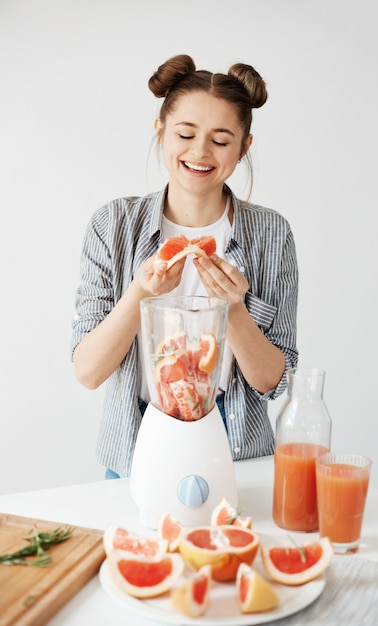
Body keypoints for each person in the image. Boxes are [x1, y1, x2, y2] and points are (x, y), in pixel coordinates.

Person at [71, 54, 298, 479]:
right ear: (160, 131)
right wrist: (140, 292)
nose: (200, 152)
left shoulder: (272, 234)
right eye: (186, 134)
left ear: (245, 146)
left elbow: (274, 381)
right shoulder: (112, 225)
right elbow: (87, 371)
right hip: (135, 446)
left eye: (221, 139)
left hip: (236, 450)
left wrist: (234, 309)